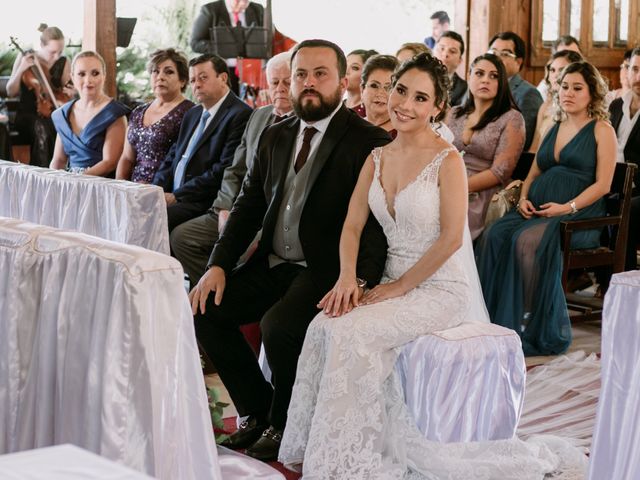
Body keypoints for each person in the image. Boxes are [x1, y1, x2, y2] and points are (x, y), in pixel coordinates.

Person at [278, 51, 587, 479]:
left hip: (439, 288)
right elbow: (352, 226)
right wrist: (348, 277)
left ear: (437, 107)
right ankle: (340, 447)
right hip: (389, 280)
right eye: (400, 90)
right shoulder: (376, 157)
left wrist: (400, 286)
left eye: (420, 98)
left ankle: (350, 462)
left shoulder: (449, 161)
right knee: (324, 324)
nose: (404, 104)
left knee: (353, 331)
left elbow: (449, 240)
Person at [188, 39, 390, 462]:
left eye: (321, 74)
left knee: (278, 327)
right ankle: (256, 411)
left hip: (326, 267)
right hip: (273, 261)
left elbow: (375, 225)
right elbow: (247, 206)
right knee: (205, 310)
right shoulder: (275, 135)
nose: (309, 83)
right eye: (301, 75)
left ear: (342, 80)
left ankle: (285, 424)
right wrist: (219, 264)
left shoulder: (366, 140)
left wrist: (358, 280)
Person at [477, 61, 617, 356]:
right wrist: (525, 198)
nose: (568, 93)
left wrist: (567, 207)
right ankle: (494, 320)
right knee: (494, 234)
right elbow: (533, 174)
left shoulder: (601, 129)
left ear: (592, 93)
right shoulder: (554, 126)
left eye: (577, 88)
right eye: (564, 86)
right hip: (537, 209)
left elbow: (604, 185)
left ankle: (528, 322)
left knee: (526, 242)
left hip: (579, 216)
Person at [170, 51, 294, 285]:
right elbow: (234, 170)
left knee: (245, 250)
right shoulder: (259, 116)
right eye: (275, 82)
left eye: (287, 82)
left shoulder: (303, 124)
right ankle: (212, 297)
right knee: (182, 237)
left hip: (270, 217)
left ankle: (227, 299)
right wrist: (223, 209)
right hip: (234, 206)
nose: (280, 88)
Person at [152, 53, 251, 232]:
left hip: (203, 199)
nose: (196, 84)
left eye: (203, 78)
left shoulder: (240, 114)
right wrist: (155, 189)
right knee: (137, 210)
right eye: (192, 80)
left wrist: (177, 196)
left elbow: (223, 169)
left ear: (223, 78)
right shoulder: (193, 113)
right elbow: (173, 156)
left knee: (154, 218)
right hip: (175, 194)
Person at [446, 53, 525, 239]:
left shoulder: (512, 118)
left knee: (449, 218)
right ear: (468, 75)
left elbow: (500, 172)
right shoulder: (454, 113)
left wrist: (458, 187)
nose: (485, 81)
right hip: (448, 180)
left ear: (502, 82)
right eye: (479, 74)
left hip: (483, 193)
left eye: (494, 76)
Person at [116, 48, 194, 183]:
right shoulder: (138, 112)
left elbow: (187, 161)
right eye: (155, 71)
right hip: (132, 189)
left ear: (182, 80)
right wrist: (119, 187)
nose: (160, 77)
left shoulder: (191, 112)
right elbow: (127, 158)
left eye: (168, 72)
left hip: (165, 190)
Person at [50, 51, 128, 176]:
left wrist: (78, 181)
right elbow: (58, 160)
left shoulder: (114, 113)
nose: (88, 80)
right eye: (81, 74)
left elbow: (110, 162)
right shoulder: (63, 114)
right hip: (69, 184)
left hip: (101, 185)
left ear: (104, 75)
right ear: (72, 77)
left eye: (95, 73)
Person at [6, 25, 72, 167]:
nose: (57, 56)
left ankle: (63, 171)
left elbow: (69, 89)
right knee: (42, 127)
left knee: (59, 124)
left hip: (52, 111)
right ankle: (41, 173)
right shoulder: (26, 57)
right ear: (42, 45)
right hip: (28, 114)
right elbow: (10, 91)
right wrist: (22, 69)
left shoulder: (64, 62)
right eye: (52, 52)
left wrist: (71, 91)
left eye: (60, 51)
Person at [190, 0, 265, 94]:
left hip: (252, 73)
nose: (242, 4)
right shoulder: (210, 10)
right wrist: (222, 48)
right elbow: (195, 43)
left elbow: (269, 37)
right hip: (223, 72)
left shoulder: (258, 9)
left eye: (246, 1)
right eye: (238, 0)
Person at [609, 47, 640, 271]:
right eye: (635, 69)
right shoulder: (616, 105)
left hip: (638, 187)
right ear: (627, 71)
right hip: (609, 182)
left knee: (626, 210)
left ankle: (623, 280)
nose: (638, 77)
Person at [488, 31, 543, 151]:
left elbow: (523, 140)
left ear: (518, 62)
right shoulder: (482, 87)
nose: (496, 57)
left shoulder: (528, 94)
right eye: (493, 52)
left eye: (505, 54)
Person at [529, 50, 583, 153]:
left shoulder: (580, 109)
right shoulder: (545, 107)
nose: (555, 75)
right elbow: (534, 148)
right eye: (552, 70)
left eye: (561, 70)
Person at [361, 54, 398, 136]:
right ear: (362, 89)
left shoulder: (406, 134)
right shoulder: (350, 128)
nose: (380, 93)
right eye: (374, 85)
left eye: (388, 87)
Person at [434, 30, 467, 106]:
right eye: (442, 48)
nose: (445, 54)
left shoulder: (464, 89)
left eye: (452, 51)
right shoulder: (418, 77)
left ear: (460, 61)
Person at [345, 49, 378, 117]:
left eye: (354, 68)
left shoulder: (370, 112)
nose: (346, 71)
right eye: (344, 65)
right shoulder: (334, 106)